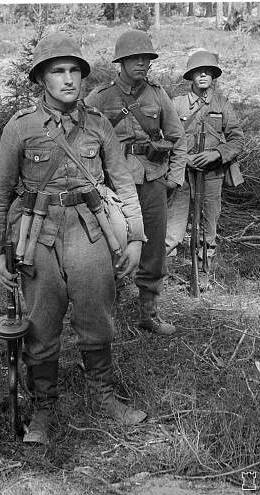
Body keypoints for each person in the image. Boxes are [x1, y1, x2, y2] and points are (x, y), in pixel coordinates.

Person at [0, 32, 148, 445]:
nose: (69, 79)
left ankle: (103, 394)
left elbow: (123, 182)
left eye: (75, 70)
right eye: (58, 71)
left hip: (92, 231)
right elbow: (1, 191)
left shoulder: (97, 124)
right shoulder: (19, 128)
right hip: (37, 235)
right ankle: (44, 408)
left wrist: (135, 238)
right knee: (41, 324)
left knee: (97, 316)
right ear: (42, 78)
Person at [86, 29, 187, 335]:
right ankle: (106, 316)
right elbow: (82, 139)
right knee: (110, 248)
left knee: (154, 248)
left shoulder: (158, 95)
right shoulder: (100, 98)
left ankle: (149, 313)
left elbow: (177, 137)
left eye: (147, 58)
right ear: (122, 61)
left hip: (152, 180)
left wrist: (174, 177)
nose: (143, 63)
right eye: (136, 58)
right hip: (114, 187)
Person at [166, 50, 244, 289]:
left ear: (213, 75)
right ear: (190, 76)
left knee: (208, 225)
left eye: (207, 71)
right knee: (173, 227)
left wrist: (217, 154)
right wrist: (184, 158)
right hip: (182, 173)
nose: (202, 75)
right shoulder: (177, 104)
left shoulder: (222, 103)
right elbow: (163, 137)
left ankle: (203, 272)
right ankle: (162, 274)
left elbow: (237, 139)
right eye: (198, 71)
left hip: (212, 174)